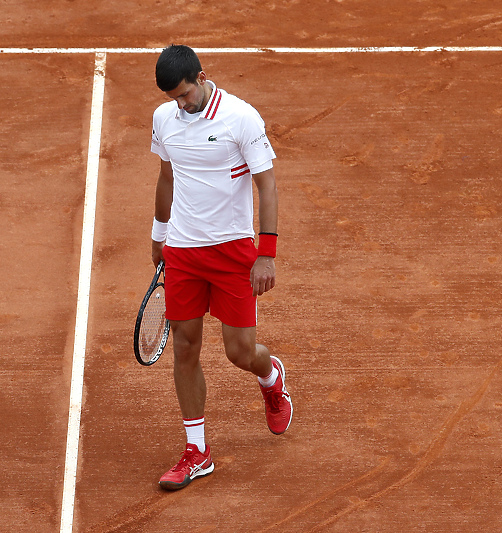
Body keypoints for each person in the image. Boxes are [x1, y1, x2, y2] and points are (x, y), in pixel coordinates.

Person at [149, 44, 292, 491]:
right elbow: (167, 177)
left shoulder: (241, 118)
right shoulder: (164, 120)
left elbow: (267, 185)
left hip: (232, 253)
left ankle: (271, 379)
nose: (180, 104)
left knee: (239, 352)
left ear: (201, 76)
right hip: (184, 251)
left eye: (185, 95)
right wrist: (159, 235)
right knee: (185, 347)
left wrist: (265, 253)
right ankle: (198, 452)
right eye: (173, 98)